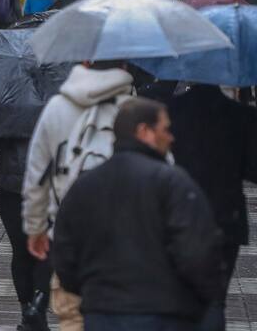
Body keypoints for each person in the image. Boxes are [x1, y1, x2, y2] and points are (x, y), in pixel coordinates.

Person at [53, 98, 223, 331]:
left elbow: (64, 249)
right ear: (144, 131)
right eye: (165, 129)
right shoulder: (174, 183)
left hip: (102, 312)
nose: (171, 137)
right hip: (163, 313)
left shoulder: (84, 185)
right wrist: (201, 301)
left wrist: (88, 290)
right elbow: (197, 252)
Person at [22, 61, 134, 331]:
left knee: (73, 317)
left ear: (84, 62)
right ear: (125, 64)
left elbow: (37, 174)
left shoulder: (58, 106)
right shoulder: (136, 111)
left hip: (69, 239)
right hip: (125, 243)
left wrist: (35, 228)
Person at [166, 84, 257, 331]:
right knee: (215, 299)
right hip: (225, 218)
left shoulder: (170, 111)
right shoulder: (240, 115)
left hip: (179, 216)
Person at [0, 136, 52, 330]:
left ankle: (28, 310)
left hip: (12, 184)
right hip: (46, 181)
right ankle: (37, 307)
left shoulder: (6, 106)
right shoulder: (55, 107)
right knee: (45, 249)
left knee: (21, 250)